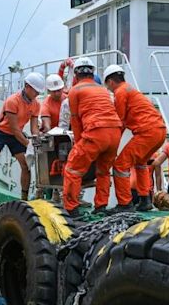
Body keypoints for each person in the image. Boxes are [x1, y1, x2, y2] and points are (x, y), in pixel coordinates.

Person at [0, 72, 44, 207]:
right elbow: (14, 129)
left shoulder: (36, 105)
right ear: (27, 86)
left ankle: (24, 198)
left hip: (16, 135)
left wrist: (38, 138)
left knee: (25, 165)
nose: (38, 94)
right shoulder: (12, 101)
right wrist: (29, 145)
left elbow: (34, 128)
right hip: (2, 132)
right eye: (36, 91)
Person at [63, 57, 122, 217]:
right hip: (115, 132)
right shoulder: (103, 89)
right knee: (103, 172)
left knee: (72, 169)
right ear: (92, 72)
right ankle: (101, 206)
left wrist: (78, 143)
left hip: (96, 132)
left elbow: (75, 120)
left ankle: (71, 209)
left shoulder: (75, 91)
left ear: (76, 74)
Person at [103, 64, 166, 211]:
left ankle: (125, 204)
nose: (109, 89)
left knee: (120, 165)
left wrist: (111, 144)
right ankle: (145, 200)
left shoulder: (120, 92)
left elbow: (120, 121)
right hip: (159, 131)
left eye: (108, 86)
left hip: (147, 132)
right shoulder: (130, 89)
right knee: (141, 163)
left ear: (111, 81)